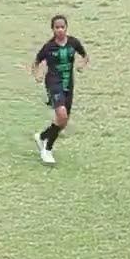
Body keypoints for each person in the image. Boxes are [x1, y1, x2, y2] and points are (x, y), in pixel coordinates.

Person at [30, 15, 88, 165]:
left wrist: (81, 65)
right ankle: (47, 149)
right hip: (54, 83)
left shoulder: (73, 43)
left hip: (68, 85)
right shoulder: (49, 47)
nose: (60, 30)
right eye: (57, 27)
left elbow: (85, 56)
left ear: (66, 28)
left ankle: (42, 136)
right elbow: (36, 61)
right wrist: (37, 74)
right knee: (61, 115)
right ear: (53, 29)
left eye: (63, 27)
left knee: (63, 122)